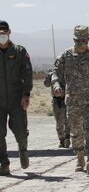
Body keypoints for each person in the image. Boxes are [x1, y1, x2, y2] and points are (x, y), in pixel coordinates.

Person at [52, 25, 89, 175]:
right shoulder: (65, 56)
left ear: (88, 39)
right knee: (76, 132)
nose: (81, 42)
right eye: (78, 39)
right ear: (74, 39)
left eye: (83, 39)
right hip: (73, 102)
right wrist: (57, 86)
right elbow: (55, 73)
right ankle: (80, 159)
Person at [0, 20, 32, 176]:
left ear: (9, 32)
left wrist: (26, 94)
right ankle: (4, 164)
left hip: (16, 99)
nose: (1, 35)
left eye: (4, 32)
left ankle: (23, 150)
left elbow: (27, 73)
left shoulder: (19, 51)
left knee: (20, 131)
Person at [44, 69, 70, 148]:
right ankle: (61, 139)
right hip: (57, 101)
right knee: (59, 122)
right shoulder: (53, 73)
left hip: (67, 99)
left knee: (68, 120)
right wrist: (49, 76)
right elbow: (46, 84)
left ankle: (67, 138)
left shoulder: (68, 71)